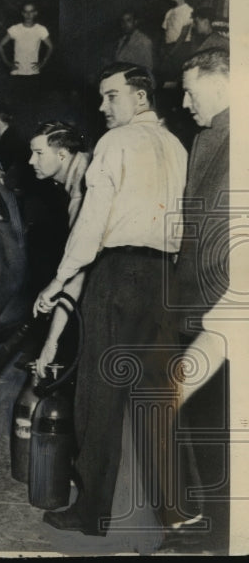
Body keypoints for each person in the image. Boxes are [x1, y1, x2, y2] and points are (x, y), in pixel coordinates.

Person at [34, 63, 195, 537]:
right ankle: (177, 515)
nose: (103, 107)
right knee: (157, 397)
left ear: (140, 99)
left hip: (118, 272)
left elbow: (91, 225)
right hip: (165, 276)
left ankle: (93, 512)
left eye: (111, 97)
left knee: (99, 396)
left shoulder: (115, 143)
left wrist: (58, 280)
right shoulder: (176, 145)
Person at [166, 49, 231, 545]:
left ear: (223, 81)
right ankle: (205, 520)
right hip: (197, 300)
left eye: (191, 89)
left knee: (217, 422)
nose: (184, 101)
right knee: (199, 416)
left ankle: (218, 529)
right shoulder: (210, 137)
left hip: (223, 308)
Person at [27, 122, 91, 377]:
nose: (31, 161)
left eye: (39, 153)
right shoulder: (83, 172)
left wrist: (50, 342)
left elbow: (78, 273)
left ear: (62, 154)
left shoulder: (83, 189)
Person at [0, 2, 54, 81]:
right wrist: (8, 63)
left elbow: (50, 46)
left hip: (33, 72)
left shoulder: (41, 29)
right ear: (22, 13)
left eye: (31, 11)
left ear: (35, 13)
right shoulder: (15, 29)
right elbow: (0, 45)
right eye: (26, 12)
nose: (28, 14)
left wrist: (42, 63)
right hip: (17, 72)